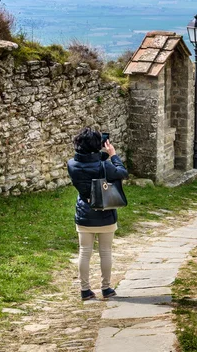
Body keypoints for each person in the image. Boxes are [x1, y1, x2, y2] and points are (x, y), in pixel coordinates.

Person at [67, 128, 128, 300]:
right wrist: (113, 155)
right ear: (97, 146)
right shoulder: (105, 165)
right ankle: (106, 288)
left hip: (84, 212)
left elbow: (90, 165)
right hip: (105, 213)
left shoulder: (71, 164)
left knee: (84, 252)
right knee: (105, 251)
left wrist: (100, 155)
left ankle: (85, 290)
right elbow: (122, 173)